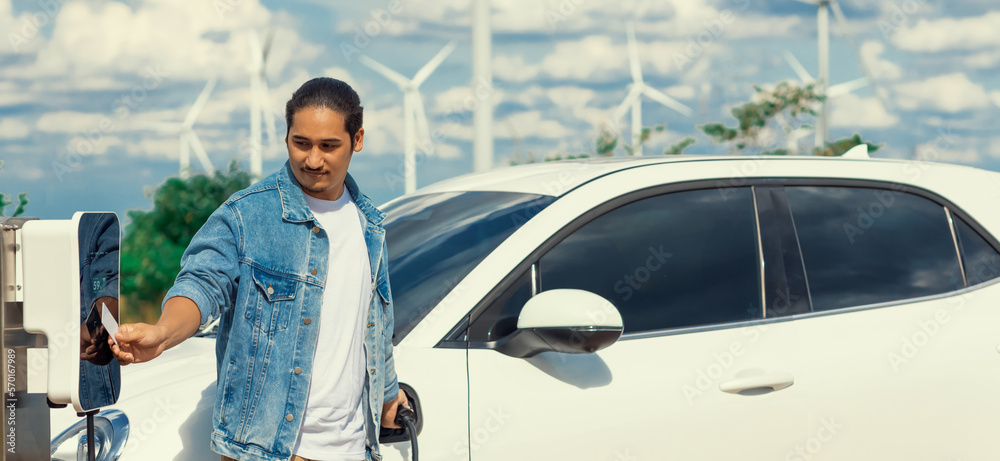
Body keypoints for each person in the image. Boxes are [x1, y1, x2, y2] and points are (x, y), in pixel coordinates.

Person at [111, 77, 408, 461]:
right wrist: (163, 333)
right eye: (301, 143)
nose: (312, 159)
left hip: (355, 449)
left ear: (358, 139)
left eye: (328, 146)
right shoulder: (246, 214)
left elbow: (377, 325)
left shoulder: (371, 225)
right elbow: (202, 284)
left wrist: (387, 398)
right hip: (267, 452)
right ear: (286, 137)